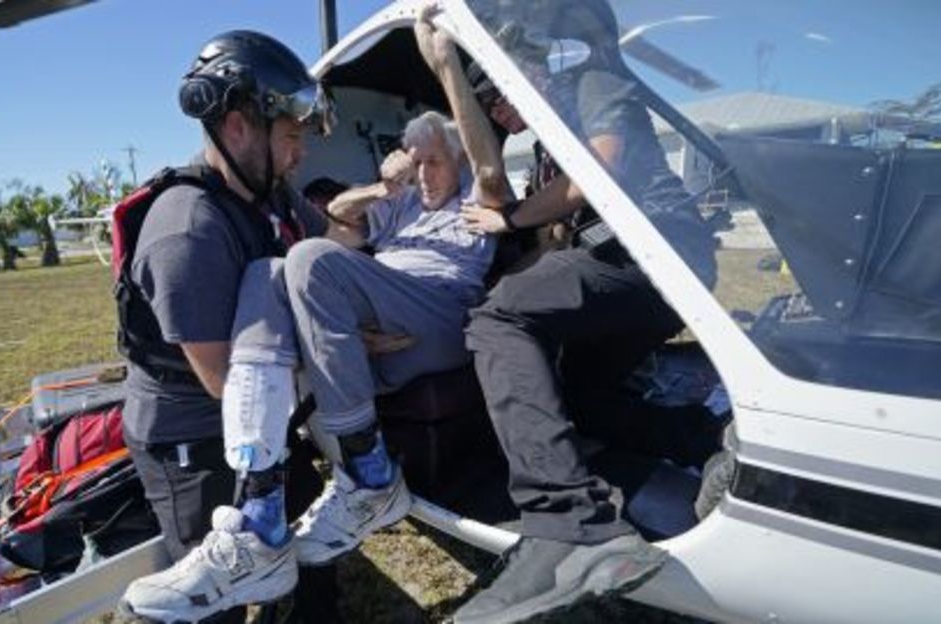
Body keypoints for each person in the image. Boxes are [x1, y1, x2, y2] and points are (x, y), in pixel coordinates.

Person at [121, 108, 504, 622]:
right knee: (270, 270)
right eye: (417, 162)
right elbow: (341, 218)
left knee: (307, 258)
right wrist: (384, 188)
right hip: (338, 347)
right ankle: (260, 522)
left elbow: (490, 174)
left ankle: (368, 476)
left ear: (459, 162)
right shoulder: (404, 201)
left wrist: (443, 62)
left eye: (434, 162)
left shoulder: (474, 201)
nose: (425, 174)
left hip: (435, 316)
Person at [415, 2, 721, 622]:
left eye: (497, 94)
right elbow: (546, 224)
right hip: (642, 267)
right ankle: (714, 446)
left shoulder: (594, 81)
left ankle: (568, 522)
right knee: (581, 391)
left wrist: (511, 219)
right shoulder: (550, 143)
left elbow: (595, 171)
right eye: (488, 108)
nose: (500, 113)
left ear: (525, 69)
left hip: (656, 257)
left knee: (498, 320)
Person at [115, 30, 331, 621]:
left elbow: (332, 243)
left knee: (310, 546)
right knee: (217, 597)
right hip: (196, 434)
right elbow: (226, 381)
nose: (300, 154)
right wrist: (352, 346)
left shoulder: (272, 197)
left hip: (261, 416)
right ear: (237, 127)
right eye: (290, 137)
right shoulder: (189, 230)